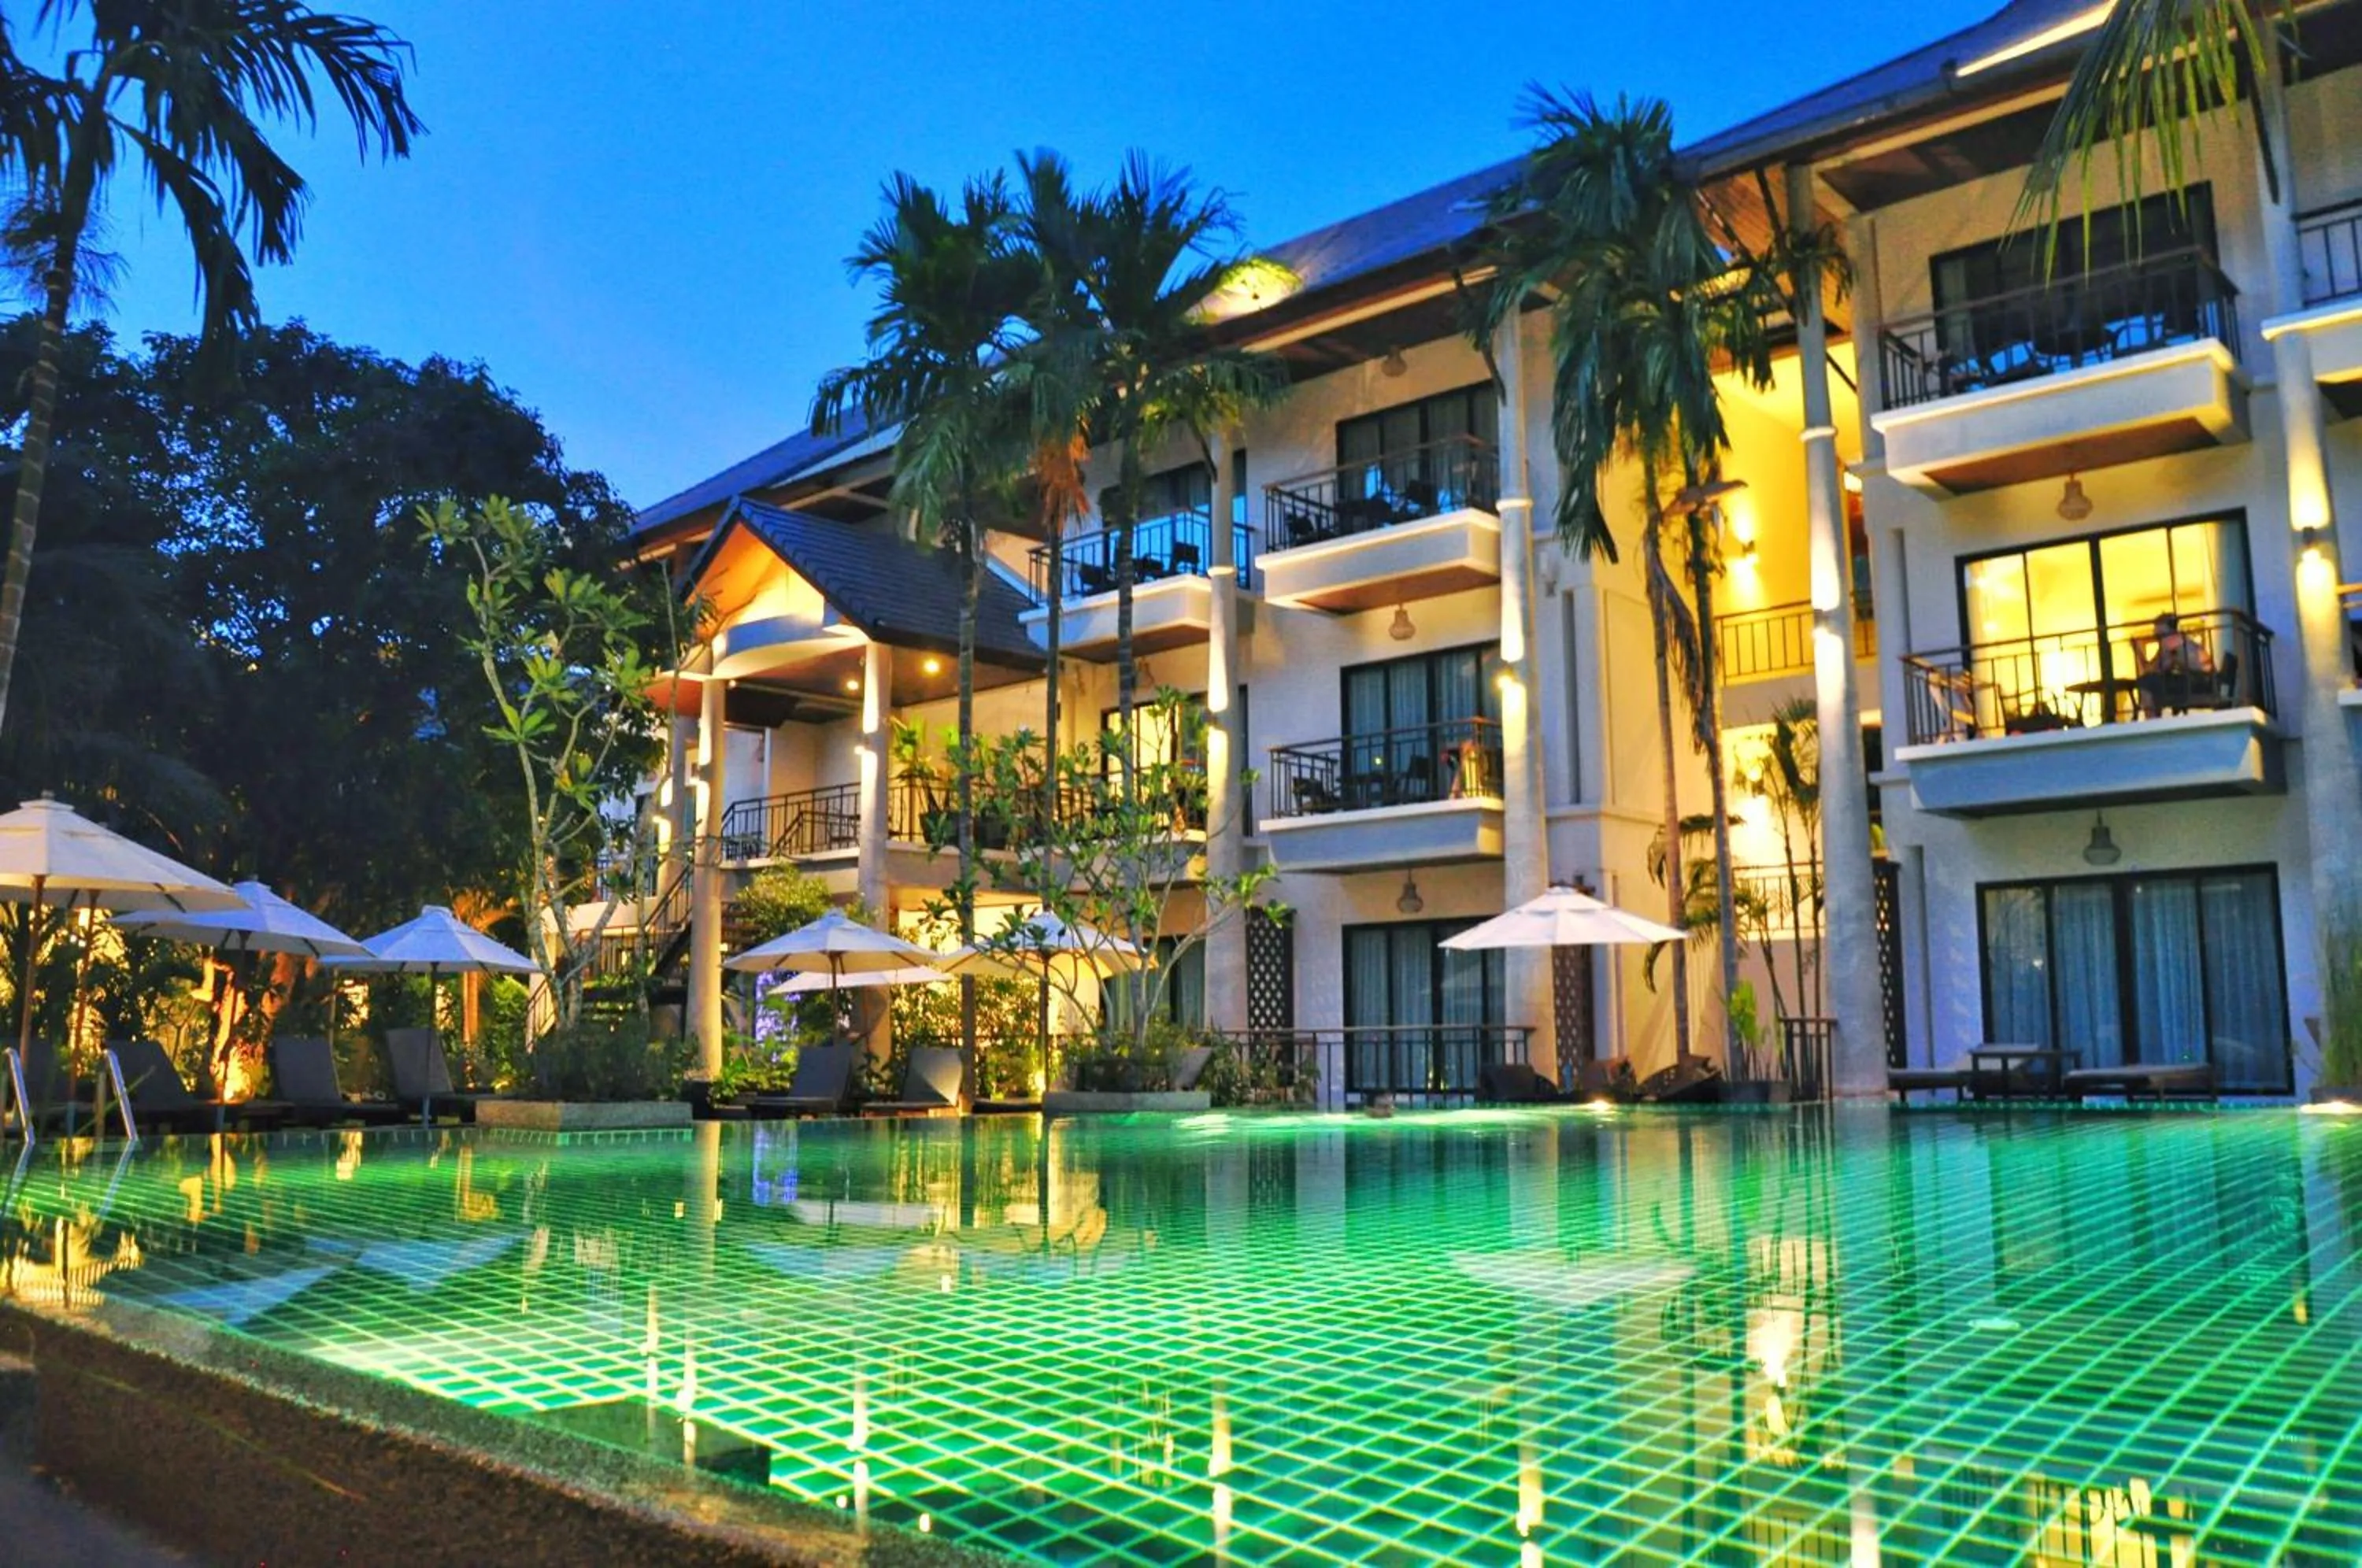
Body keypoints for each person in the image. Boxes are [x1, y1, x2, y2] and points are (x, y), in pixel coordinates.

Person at [2135, 612, 2212, 716]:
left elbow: (2155, 669)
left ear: (2166, 627)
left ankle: (2152, 721)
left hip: (2200, 682)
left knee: (2147, 682)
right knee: (2152, 681)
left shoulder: (2171, 641)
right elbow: (2159, 666)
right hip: (2203, 680)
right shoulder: (2175, 640)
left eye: (2157, 627)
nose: (2154, 632)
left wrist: (2138, 652)